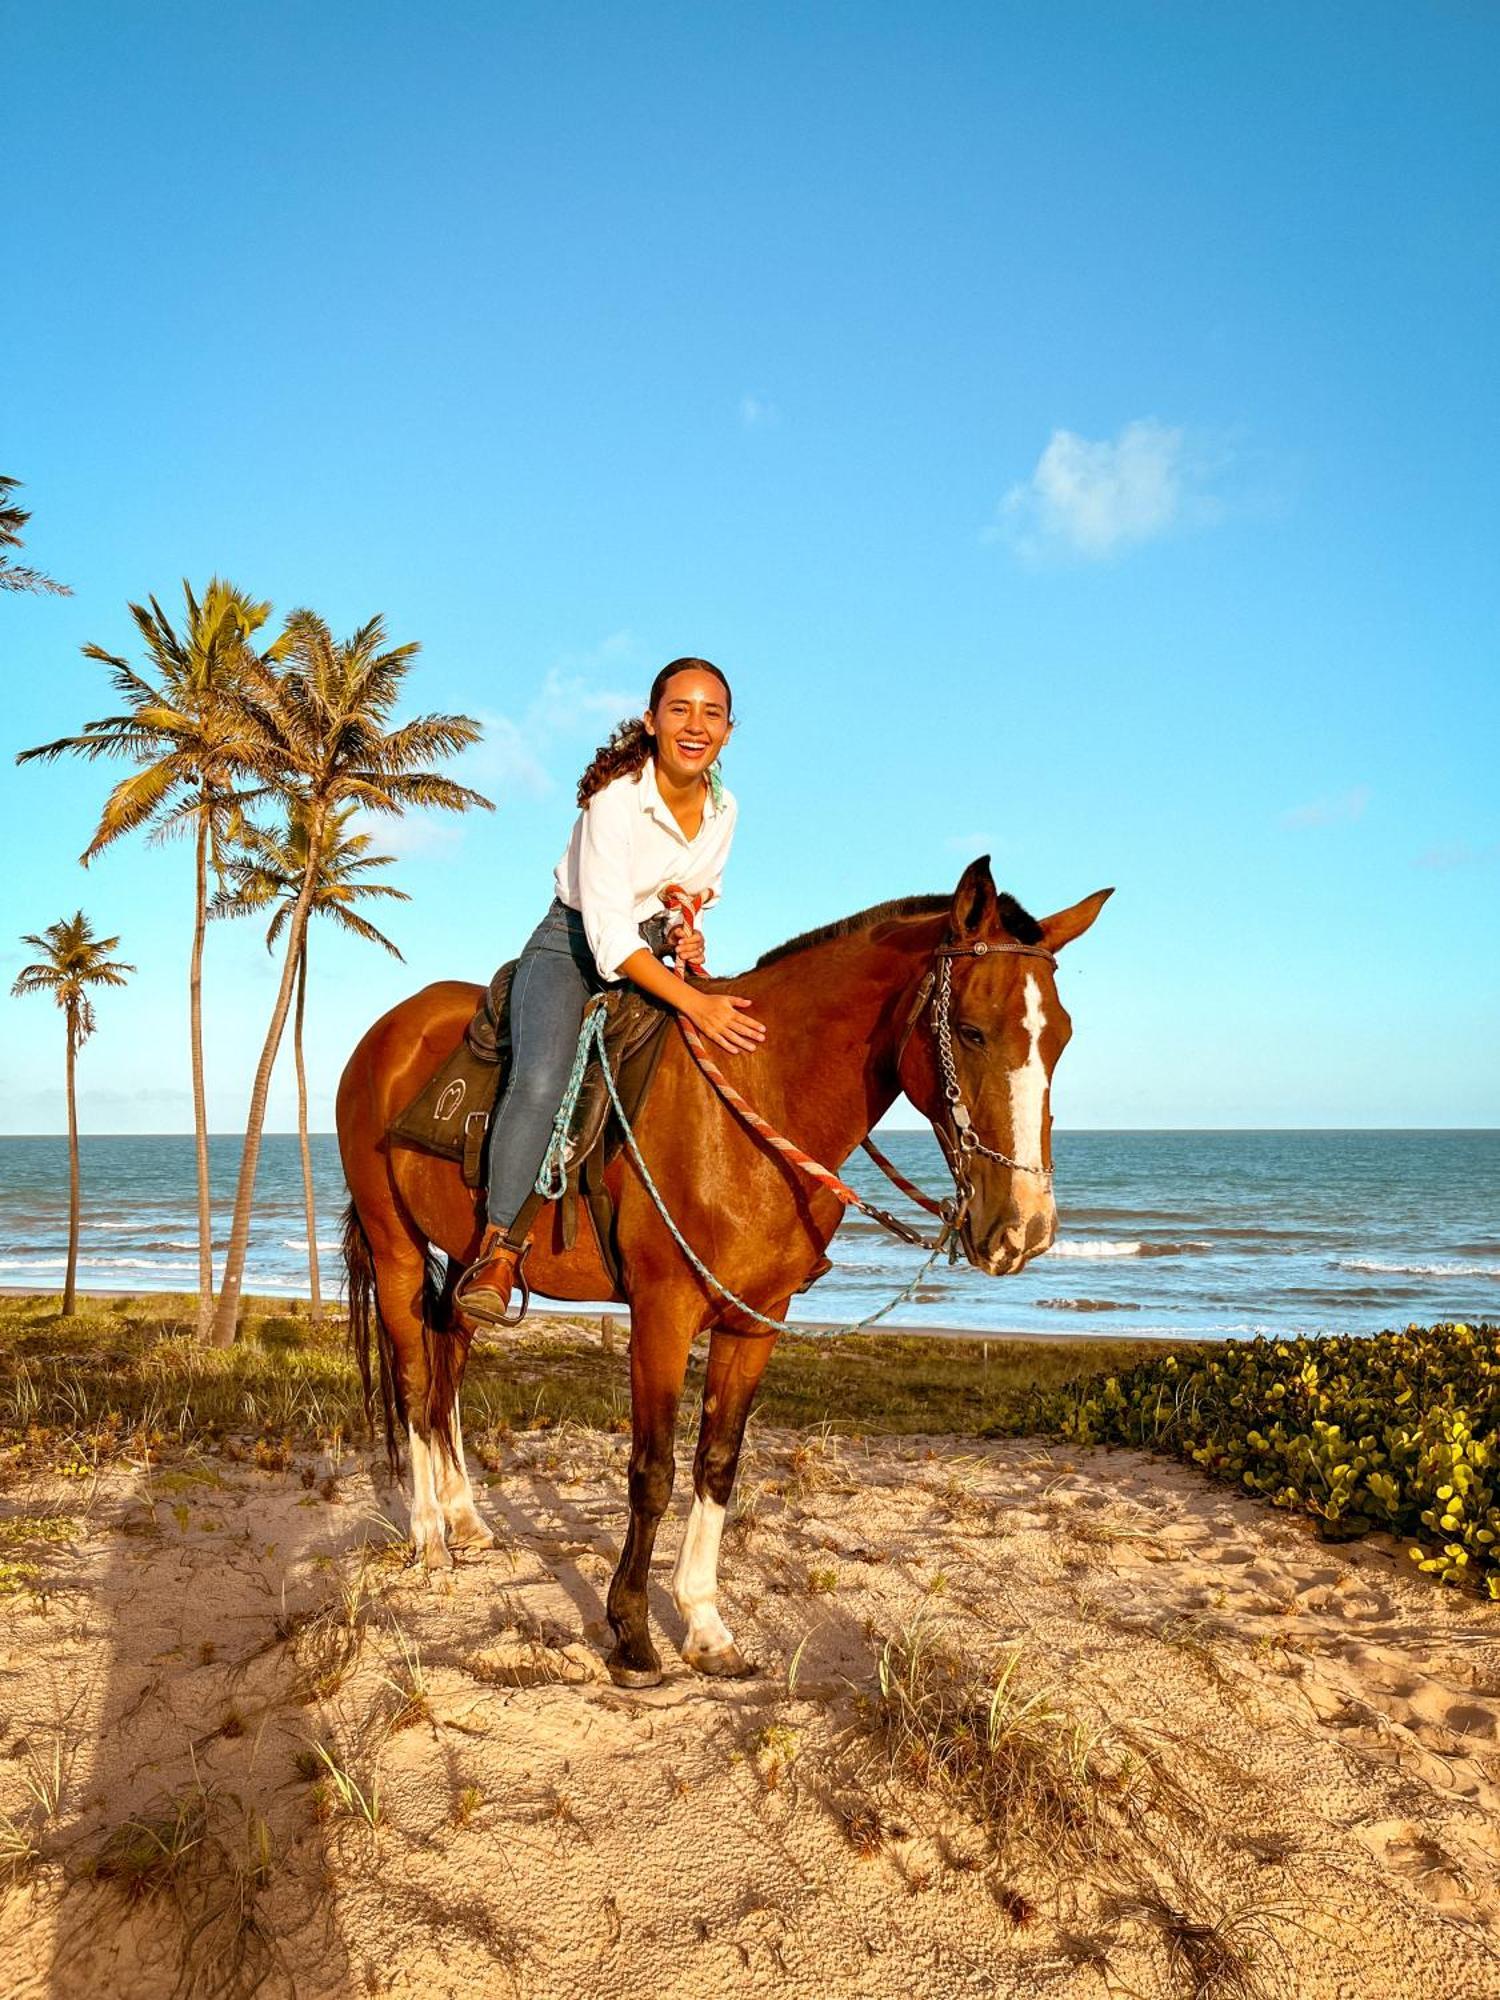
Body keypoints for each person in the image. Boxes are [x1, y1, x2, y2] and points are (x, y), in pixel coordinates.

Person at [456, 657, 766, 1327]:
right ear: (652, 723)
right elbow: (607, 940)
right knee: (541, 1080)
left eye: (711, 713)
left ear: (729, 733)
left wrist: (686, 935)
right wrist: (695, 1000)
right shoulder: (617, 798)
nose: (696, 725)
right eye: (680, 709)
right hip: (570, 945)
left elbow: (692, 896)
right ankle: (498, 1249)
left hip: (649, 947)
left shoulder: (725, 808)